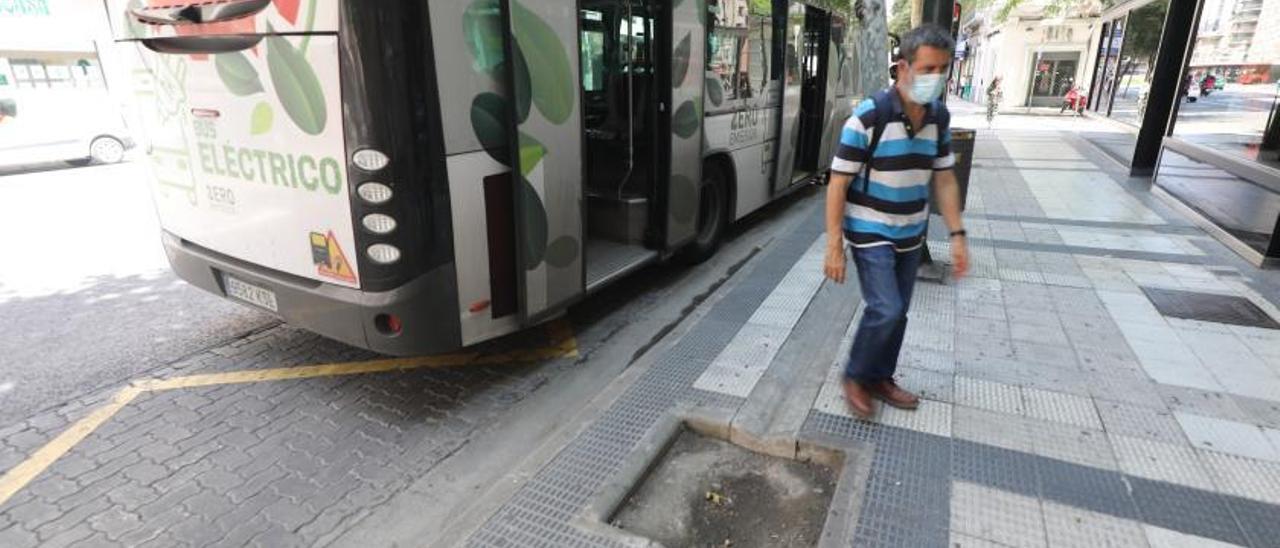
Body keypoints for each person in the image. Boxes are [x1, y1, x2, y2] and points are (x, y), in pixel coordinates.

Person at [823, 24, 969, 418]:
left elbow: (944, 177)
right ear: (903, 67)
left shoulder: (938, 116)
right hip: (869, 227)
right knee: (885, 308)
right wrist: (834, 244)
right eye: (926, 69)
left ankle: (880, 377)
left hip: (911, 229)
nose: (935, 78)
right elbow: (838, 182)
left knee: (899, 310)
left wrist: (957, 235)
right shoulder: (869, 116)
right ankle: (855, 375)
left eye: (942, 70)